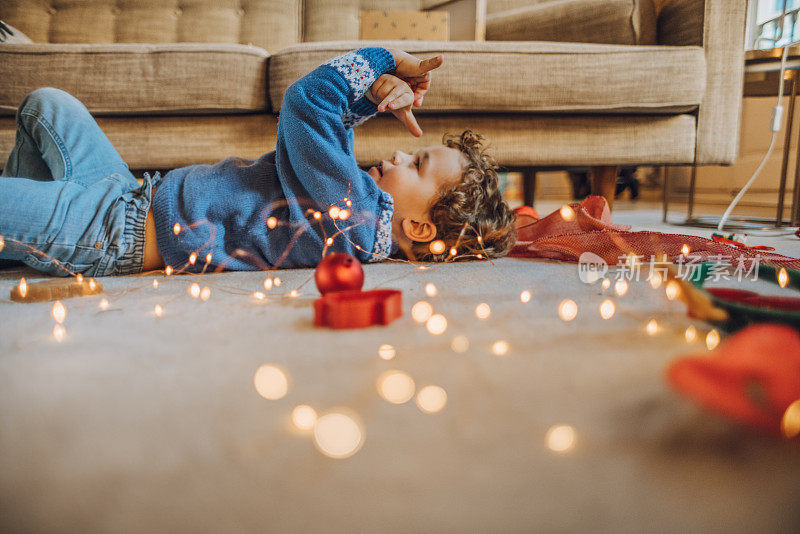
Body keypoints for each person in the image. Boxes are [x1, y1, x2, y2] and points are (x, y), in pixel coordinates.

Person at [0, 47, 515, 276]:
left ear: (420, 228)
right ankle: (21, 243)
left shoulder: (355, 218)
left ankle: (32, 231)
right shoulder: (353, 207)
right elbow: (318, 139)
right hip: (128, 195)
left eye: (418, 164)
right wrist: (367, 99)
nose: (401, 153)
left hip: (114, 234)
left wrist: (382, 59)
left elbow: (306, 105)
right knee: (48, 106)